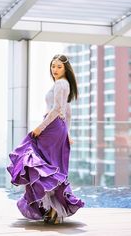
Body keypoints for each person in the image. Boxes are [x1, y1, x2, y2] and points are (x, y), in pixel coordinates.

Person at [7, 54, 84, 224]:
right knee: (51, 168)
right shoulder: (65, 85)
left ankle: (53, 210)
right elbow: (67, 111)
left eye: (59, 67)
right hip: (58, 129)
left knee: (40, 164)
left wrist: (40, 127)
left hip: (52, 128)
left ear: (65, 69)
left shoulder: (60, 84)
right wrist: (67, 133)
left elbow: (57, 109)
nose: (54, 69)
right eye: (53, 66)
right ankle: (53, 210)